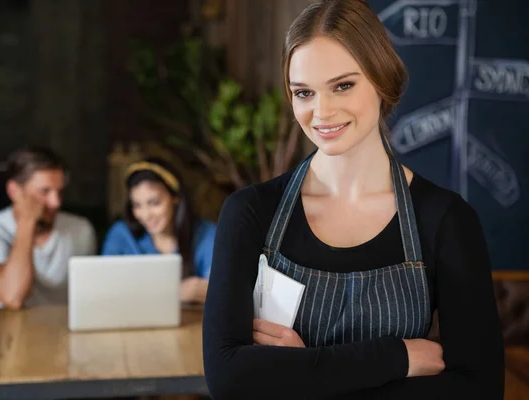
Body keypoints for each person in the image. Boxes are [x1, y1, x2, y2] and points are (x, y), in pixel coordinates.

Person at [202, 1, 504, 399]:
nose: (321, 112)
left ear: (382, 80)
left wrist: (301, 374)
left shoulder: (446, 219)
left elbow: (479, 388)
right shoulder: (250, 212)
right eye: (304, 92)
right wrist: (396, 358)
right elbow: (227, 378)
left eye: (343, 85)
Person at [0, 147, 97, 309]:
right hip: (3, 333)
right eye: (45, 192)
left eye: (60, 192)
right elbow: (12, 298)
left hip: (60, 332)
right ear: (14, 191)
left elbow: (90, 299)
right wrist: (27, 222)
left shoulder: (81, 230)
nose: (56, 203)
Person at [101, 158, 216, 304]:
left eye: (155, 203)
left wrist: (201, 290)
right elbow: (105, 288)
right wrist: (175, 292)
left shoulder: (206, 234)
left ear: (175, 197)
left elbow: (226, 290)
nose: (146, 215)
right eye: (137, 205)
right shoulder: (121, 234)